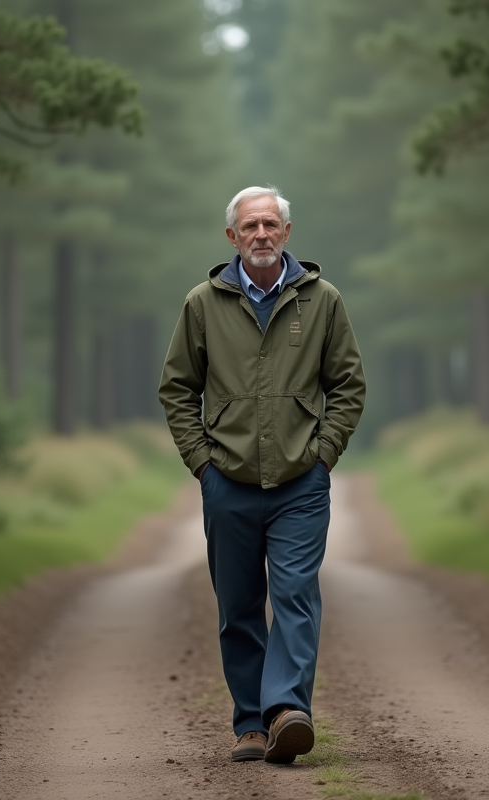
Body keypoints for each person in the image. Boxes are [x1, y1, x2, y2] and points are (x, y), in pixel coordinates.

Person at [158, 186, 366, 764]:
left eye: (271, 224)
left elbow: (348, 386)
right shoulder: (203, 303)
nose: (261, 235)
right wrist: (201, 464)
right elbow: (177, 389)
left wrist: (324, 454)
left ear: (287, 232)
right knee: (239, 604)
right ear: (232, 238)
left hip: (302, 481)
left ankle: (287, 711)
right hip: (226, 481)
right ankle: (251, 722)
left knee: (296, 595)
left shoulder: (322, 301)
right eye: (249, 227)